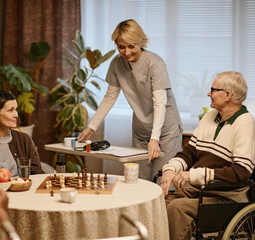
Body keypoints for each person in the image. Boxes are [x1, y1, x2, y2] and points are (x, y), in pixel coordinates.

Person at [78, 19, 183, 181]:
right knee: (140, 180)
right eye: (121, 47)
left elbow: (159, 103)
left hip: (166, 132)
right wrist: (91, 127)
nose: (126, 52)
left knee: (161, 180)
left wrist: (155, 139)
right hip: (141, 132)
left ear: (141, 42)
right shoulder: (116, 64)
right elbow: (109, 97)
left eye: (131, 46)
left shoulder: (155, 63)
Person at [161, 71, 255, 240]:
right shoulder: (210, 116)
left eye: (213, 89)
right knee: (159, 202)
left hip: (226, 196)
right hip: (203, 190)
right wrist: (170, 169)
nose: (208, 93)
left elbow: (241, 172)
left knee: (177, 208)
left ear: (227, 95)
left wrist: (194, 175)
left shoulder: (245, 122)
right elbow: (190, 153)